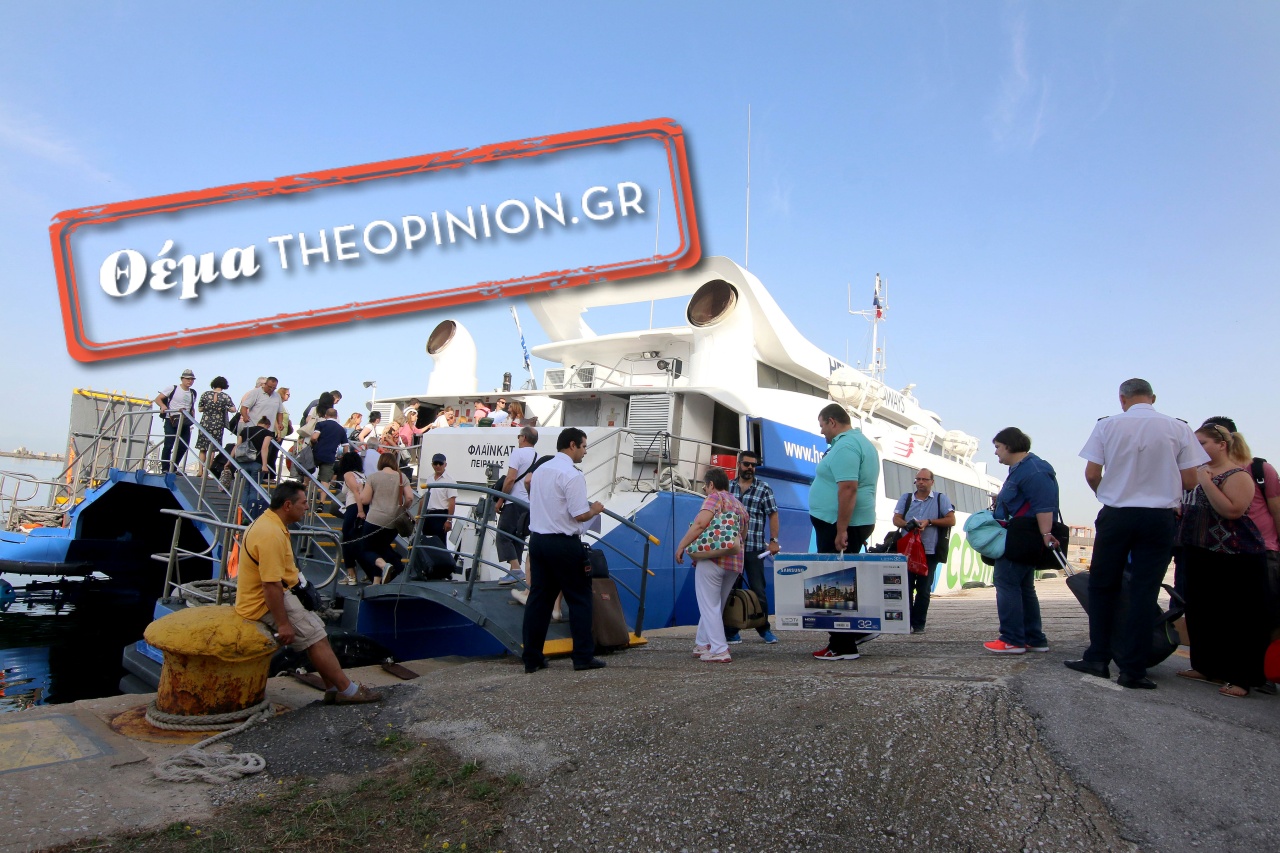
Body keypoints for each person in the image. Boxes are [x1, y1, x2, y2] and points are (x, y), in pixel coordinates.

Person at [1066, 379, 1208, 688]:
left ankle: (1098, 658)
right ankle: (1133, 669)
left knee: (1103, 587)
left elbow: (1091, 473)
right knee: (1145, 591)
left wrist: (1110, 493)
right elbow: (1189, 480)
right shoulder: (1178, 428)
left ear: (1122, 399)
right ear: (1153, 398)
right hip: (1159, 518)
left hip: (1117, 514)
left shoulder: (1107, 426)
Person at [234, 481, 381, 704]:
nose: (307, 508)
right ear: (287, 505)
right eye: (303, 503)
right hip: (263, 603)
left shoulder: (270, 524)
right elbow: (270, 586)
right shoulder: (270, 534)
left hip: (274, 595)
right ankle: (347, 690)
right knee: (316, 638)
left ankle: (332, 687)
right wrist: (283, 624)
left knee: (317, 632)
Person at [1174, 423, 1270, 698]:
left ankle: (1241, 677)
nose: (1198, 449)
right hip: (1199, 550)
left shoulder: (1238, 475)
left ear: (1222, 444)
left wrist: (1205, 480)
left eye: (1202, 443)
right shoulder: (1195, 473)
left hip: (1235, 555)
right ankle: (1205, 666)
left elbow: (1233, 510)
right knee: (1202, 610)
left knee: (1237, 617)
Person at [522, 428, 607, 673]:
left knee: (539, 600)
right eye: (583, 446)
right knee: (580, 598)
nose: (585, 451)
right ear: (572, 445)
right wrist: (596, 509)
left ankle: (532, 658)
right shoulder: (572, 474)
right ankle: (582, 657)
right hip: (563, 544)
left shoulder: (539, 472)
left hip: (538, 541)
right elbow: (579, 513)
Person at [1202, 415, 1280, 662]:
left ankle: (1264, 669)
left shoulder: (1258, 469)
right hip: (1221, 548)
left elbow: (1276, 509)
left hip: (1261, 548)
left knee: (1265, 611)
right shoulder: (1206, 470)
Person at [809, 403, 880, 662]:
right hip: (850, 522)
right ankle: (854, 633)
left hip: (840, 525)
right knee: (844, 582)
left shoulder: (846, 446)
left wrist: (840, 529)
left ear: (832, 422)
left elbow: (848, 488)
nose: (822, 432)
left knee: (831, 583)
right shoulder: (862, 443)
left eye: (822, 426)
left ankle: (841, 644)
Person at [984, 428, 1058, 657]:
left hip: (1022, 535)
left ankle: (1012, 639)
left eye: (997, 447)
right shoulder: (1022, 469)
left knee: (1006, 583)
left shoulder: (1032, 470)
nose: (996, 453)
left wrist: (1046, 535)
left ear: (1009, 445)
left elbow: (1044, 503)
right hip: (1023, 533)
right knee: (1024, 587)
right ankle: (1033, 638)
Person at [677, 467, 750, 662]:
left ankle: (719, 649)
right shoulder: (739, 505)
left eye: (705, 486)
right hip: (734, 563)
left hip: (712, 560)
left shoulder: (714, 498)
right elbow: (743, 536)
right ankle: (702, 644)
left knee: (709, 605)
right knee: (714, 605)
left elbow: (700, 524)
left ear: (711, 484)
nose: (705, 490)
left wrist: (682, 546)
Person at [725, 450, 781, 645]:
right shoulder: (728, 487)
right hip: (731, 549)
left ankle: (764, 629)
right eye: (747, 464)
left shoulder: (764, 488)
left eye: (753, 465)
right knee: (731, 591)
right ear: (739, 464)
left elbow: (773, 514)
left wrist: (774, 540)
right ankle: (731, 631)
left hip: (755, 549)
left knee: (759, 591)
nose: (750, 468)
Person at [892, 468, 956, 634]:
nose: (920, 482)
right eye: (918, 479)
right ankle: (905, 623)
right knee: (905, 588)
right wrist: (907, 524)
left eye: (924, 479)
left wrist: (929, 522)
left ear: (931, 482)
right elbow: (896, 519)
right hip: (907, 551)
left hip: (929, 550)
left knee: (924, 589)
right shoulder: (906, 498)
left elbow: (951, 520)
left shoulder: (940, 499)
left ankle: (918, 624)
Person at [356, 452, 414, 583]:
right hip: (393, 522)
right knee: (381, 549)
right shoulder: (402, 477)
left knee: (365, 549)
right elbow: (410, 497)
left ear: (380, 462)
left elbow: (365, 500)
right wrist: (403, 508)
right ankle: (377, 582)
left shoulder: (373, 477)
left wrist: (360, 489)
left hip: (374, 520)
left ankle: (385, 565)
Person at [495, 428, 539, 585]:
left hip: (513, 502)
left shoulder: (517, 453)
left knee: (503, 535)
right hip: (527, 504)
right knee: (519, 536)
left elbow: (510, 479)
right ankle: (517, 571)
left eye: (519, 436)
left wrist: (501, 500)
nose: (518, 439)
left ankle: (515, 570)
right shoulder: (537, 456)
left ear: (524, 437)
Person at [334, 450, 371, 585]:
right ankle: (369, 571)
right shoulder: (364, 476)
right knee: (359, 540)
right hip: (366, 509)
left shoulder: (348, 474)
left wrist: (359, 510)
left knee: (346, 540)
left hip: (354, 508)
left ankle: (351, 575)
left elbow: (355, 492)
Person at [155, 369, 198, 473]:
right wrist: (163, 406)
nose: (190, 381)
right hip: (171, 419)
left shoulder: (192, 392)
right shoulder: (173, 388)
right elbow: (158, 399)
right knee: (169, 444)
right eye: (187, 379)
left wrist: (193, 417)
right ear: (182, 379)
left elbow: (191, 407)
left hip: (185, 421)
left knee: (183, 445)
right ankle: (165, 468)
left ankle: (173, 467)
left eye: (192, 379)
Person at [236, 417, 275, 520]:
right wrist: (264, 465)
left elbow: (237, 446)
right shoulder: (267, 433)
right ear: (267, 425)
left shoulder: (245, 430)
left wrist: (229, 461)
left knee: (244, 489)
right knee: (254, 489)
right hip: (257, 463)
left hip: (242, 463)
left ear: (258, 423)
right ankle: (248, 514)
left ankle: (240, 514)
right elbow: (264, 448)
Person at [195, 376, 235, 473]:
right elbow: (233, 409)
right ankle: (206, 472)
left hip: (205, 423)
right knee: (212, 449)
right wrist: (225, 408)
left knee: (202, 448)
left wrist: (208, 408)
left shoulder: (205, 394)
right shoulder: (225, 396)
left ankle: (200, 470)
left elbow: (200, 409)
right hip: (218, 424)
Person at [423, 453, 458, 543]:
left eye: (440, 463)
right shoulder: (429, 479)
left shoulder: (450, 480)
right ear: (432, 465)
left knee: (439, 544)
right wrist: (420, 516)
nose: (438, 466)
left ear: (445, 465)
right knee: (426, 543)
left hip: (440, 516)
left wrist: (449, 520)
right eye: (435, 463)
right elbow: (424, 499)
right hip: (428, 515)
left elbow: (452, 502)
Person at [311, 409, 347, 486]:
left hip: (317, 453)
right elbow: (345, 446)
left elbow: (314, 437)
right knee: (325, 480)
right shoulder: (341, 429)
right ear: (336, 416)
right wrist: (344, 457)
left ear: (326, 415)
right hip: (330, 456)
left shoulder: (320, 424)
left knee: (310, 473)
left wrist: (313, 442)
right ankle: (323, 498)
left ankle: (307, 490)